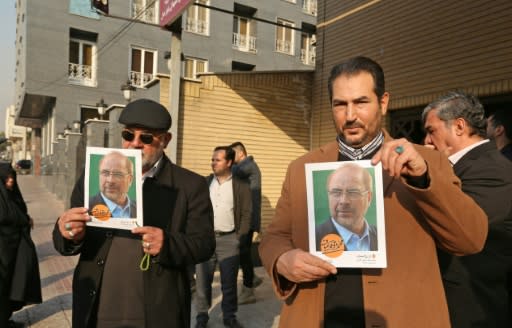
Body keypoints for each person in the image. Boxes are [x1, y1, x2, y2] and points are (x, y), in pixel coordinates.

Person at [258, 56, 488, 327]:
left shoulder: (428, 161)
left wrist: (423, 179)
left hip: (401, 317)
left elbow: (470, 239)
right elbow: (274, 236)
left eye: (361, 102)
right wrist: (282, 259)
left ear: (383, 102)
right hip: (319, 317)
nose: (350, 115)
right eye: (340, 104)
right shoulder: (302, 168)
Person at [52, 98, 215, 328]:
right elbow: (66, 240)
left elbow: (205, 244)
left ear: (165, 140)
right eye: (129, 135)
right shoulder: (93, 175)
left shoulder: (189, 185)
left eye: (146, 138)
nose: (134, 144)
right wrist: (68, 232)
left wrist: (167, 243)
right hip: (97, 306)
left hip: (156, 311)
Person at [423, 91, 512, 327]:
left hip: (473, 307)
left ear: (460, 126)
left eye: (432, 131)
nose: (427, 142)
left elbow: (461, 226)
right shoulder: (460, 165)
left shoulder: (492, 169)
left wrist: (429, 170)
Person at [195, 146, 251, 328]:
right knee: (203, 281)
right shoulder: (205, 183)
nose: (213, 163)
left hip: (229, 240)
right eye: (212, 160)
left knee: (229, 282)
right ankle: (202, 317)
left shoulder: (241, 186)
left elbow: (246, 213)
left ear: (228, 162)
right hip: (206, 240)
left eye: (217, 160)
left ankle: (229, 317)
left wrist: (239, 237)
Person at [0, 163, 41, 327]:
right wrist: (24, 219)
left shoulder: (12, 194)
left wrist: (25, 217)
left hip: (14, 248)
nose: (11, 180)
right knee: (3, 285)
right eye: (7, 177)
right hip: (3, 250)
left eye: (12, 177)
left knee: (12, 282)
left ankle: (5, 319)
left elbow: (18, 211)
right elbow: (5, 216)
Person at [315, 163, 377, 252]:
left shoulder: (383, 237)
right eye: (336, 192)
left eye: (353, 192)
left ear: (369, 198)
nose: (344, 201)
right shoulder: (313, 238)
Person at [229, 141, 263, 304]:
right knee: (244, 251)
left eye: (231, 155)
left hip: (247, 219)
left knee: (242, 251)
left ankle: (248, 290)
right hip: (246, 217)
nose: (229, 159)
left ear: (240, 153)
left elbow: (227, 172)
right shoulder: (246, 167)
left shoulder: (246, 166)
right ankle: (253, 278)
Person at [89, 150, 137, 218]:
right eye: (105, 173)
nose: (110, 180)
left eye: (118, 174)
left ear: (130, 180)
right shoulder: (86, 207)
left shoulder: (140, 209)